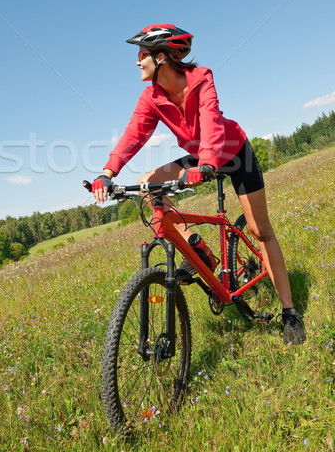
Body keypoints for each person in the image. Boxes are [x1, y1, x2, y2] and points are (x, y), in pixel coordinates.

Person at [91, 23, 305, 346]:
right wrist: (107, 173)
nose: (137, 62)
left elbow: (211, 121)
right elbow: (133, 134)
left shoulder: (201, 78)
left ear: (161, 57)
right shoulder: (151, 97)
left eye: (142, 55)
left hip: (233, 153)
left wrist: (207, 162)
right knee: (146, 184)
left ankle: (290, 313)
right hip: (198, 156)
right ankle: (198, 249)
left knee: (261, 231)